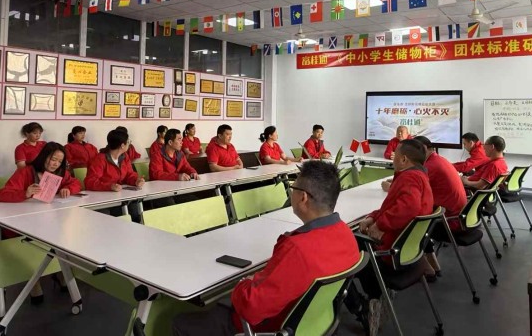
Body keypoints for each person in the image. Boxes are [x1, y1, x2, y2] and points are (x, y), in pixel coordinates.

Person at [172, 162, 360, 336]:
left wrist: (242, 284)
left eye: (293, 188)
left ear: (303, 197)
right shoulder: (346, 235)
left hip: (268, 326)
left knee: (180, 323)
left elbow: (251, 310)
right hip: (314, 323)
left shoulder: (297, 248)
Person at [356, 140, 434, 333]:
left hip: (392, 253)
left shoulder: (409, 178)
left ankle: (372, 300)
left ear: (404, 159)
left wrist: (380, 224)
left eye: (396, 154)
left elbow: (409, 207)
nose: (393, 157)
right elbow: (392, 207)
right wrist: (372, 217)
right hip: (409, 251)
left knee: (351, 245)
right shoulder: (419, 176)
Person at [0, 142, 80, 305]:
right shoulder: (26, 171)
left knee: (66, 232)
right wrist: (25, 193)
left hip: (49, 219)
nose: (55, 164)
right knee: (34, 241)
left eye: (59, 161)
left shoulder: (60, 173)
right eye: (52, 159)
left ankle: (59, 269)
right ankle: (33, 279)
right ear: (44, 157)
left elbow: (75, 183)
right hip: (23, 222)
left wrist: (69, 189)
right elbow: (2, 194)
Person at [381, 136, 467, 277]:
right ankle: (429, 266)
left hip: (450, 220)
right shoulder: (437, 161)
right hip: (456, 215)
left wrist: (390, 187)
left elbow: (408, 202)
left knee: (412, 221)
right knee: (420, 220)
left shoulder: (428, 167)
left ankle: (426, 266)